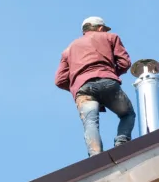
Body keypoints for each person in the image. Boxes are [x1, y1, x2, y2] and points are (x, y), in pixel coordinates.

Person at [54, 16, 135, 157]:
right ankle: (121, 142)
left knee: (90, 122)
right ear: (99, 28)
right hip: (108, 82)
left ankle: (95, 156)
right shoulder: (110, 37)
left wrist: (78, 84)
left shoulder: (69, 49)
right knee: (128, 114)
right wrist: (108, 73)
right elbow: (124, 63)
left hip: (83, 89)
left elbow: (59, 80)